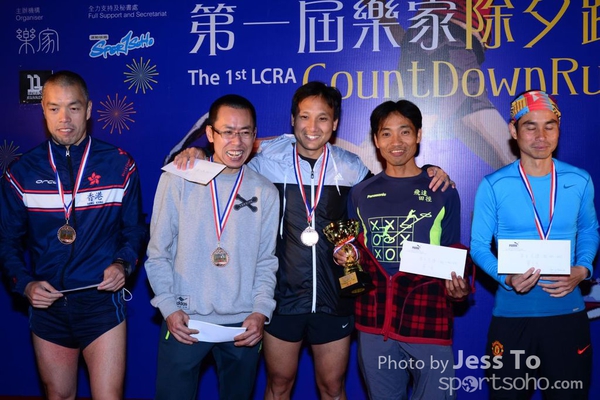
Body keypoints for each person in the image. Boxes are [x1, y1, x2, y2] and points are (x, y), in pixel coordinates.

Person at [174, 81, 453, 399]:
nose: (312, 126)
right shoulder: (264, 160)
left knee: (332, 387)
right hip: (281, 298)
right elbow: (229, 155)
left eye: (323, 118)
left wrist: (428, 171)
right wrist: (200, 152)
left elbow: (392, 187)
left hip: (335, 298)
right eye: (305, 117)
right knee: (279, 384)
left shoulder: (350, 166)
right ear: (292, 120)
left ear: (335, 124)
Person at [0, 70, 146, 400]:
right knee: (59, 396)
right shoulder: (22, 172)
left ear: (89, 110)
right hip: (48, 305)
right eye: (54, 108)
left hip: (100, 303)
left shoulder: (119, 164)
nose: (64, 118)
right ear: (43, 111)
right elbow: (6, 241)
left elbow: (135, 228)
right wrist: (25, 284)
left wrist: (123, 264)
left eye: (74, 107)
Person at [145, 94, 280, 400]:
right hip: (185, 320)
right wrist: (169, 307)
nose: (237, 141)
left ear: (255, 136)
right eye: (227, 131)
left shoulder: (266, 191)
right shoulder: (179, 178)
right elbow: (157, 252)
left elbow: (266, 261)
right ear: (210, 133)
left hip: (242, 326)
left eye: (245, 132)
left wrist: (260, 312)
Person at [335, 99, 470, 399]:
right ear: (376, 140)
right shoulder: (360, 193)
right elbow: (354, 250)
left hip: (427, 319)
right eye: (386, 133)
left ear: (419, 135)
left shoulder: (442, 190)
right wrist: (345, 256)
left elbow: (452, 249)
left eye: (405, 132)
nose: (396, 142)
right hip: (374, 324)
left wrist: (458, 287)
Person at [470, 90, 599, 399]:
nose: (541, 136)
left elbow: (589, 230)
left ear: (558, 128)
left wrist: (583, 268)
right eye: (530, 126)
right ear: (513, 131)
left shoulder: (579, 180)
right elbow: (478, 246)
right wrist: (506, 277)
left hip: (567, 316)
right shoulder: (493, 185)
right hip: (512, 320)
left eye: (549, 126)